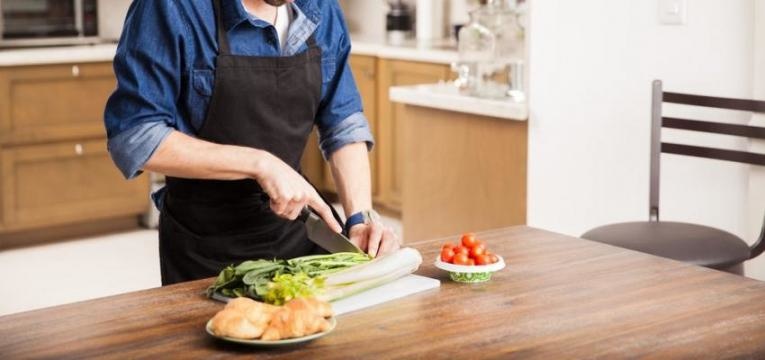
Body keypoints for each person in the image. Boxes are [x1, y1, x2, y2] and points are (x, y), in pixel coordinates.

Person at [104, 0, 399, 285]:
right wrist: (261, 165)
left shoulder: (320, 7)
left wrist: (361, 217)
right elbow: (135, 137)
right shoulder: (173, 7)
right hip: (205, 250)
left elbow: (343, 121)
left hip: (300, 238)